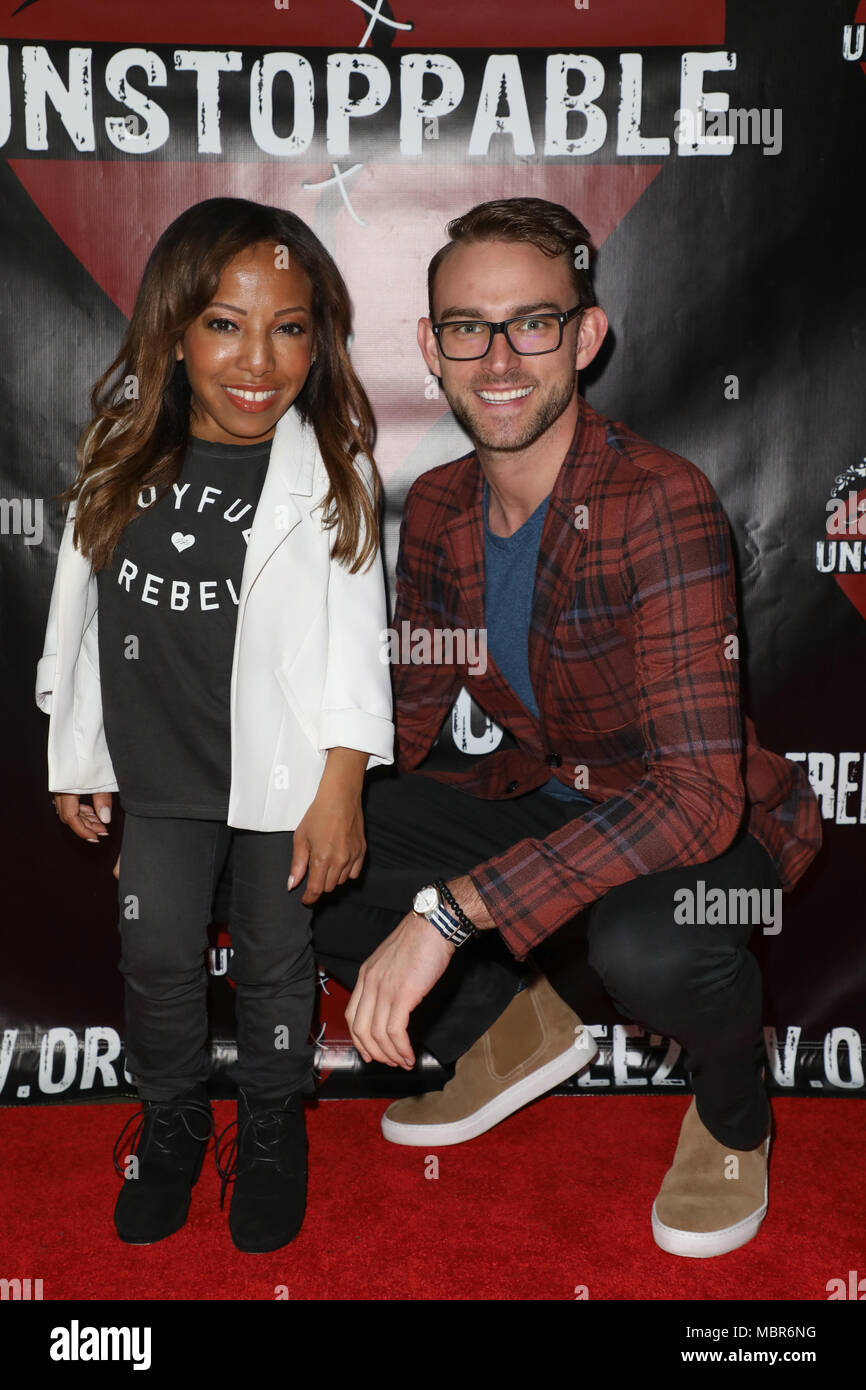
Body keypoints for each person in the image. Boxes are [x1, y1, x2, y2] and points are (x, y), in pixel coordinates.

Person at [311, 197, 822, 1258]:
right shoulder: (442, 504)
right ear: (430, 349)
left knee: (650, 942)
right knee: (304, 849)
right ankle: (513, 1030)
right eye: (467, 328)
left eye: (531, 324)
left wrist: (452, 912)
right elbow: (411, 723)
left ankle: (733, 1121)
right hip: (545, 802)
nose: (498, 358)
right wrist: (317, 795)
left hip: (704, 828)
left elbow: (691, 799)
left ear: (584, 338)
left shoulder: (659, 501)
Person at [35, 197, 394, 1252]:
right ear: (175, 331)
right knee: (155, 955)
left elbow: (353, 644)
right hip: (163, 780)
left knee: (280, 968)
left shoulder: (334, 469)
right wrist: (77, 754)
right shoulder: (117, 450)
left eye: (289, 325)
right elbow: (84, 618)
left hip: (282, 781)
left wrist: (338, 787)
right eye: (225, 323)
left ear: (316, 339)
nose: (259, 356)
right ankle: (175, 1123)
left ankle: (275, 1128)